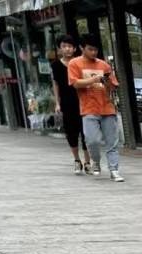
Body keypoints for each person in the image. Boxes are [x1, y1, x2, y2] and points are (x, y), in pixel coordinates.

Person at [68, 34, 124, 182]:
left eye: (96, 50)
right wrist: (94, 79)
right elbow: (75, 83)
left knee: (112, 141)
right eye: (90, 49)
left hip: (107, 107)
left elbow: (113, 86)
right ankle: (96, 161)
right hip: (88, 108)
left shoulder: (104, 65)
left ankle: (114, 170)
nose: (94, 53)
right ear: (82, 48)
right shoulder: (74, 64)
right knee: (92, 140)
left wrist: (107, 81)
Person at [51, 36, 90, 174]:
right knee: (71, 133)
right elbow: (55, 84)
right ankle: (77, 160)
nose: (67, 49)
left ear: (74, 48)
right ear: (60, 49)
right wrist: (57, 102)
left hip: (83, 100)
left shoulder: (81, 62)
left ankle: (88, 162)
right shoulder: (56, 65)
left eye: (70, 46)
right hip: (67, 103)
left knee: (86, 132)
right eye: (64, 46)